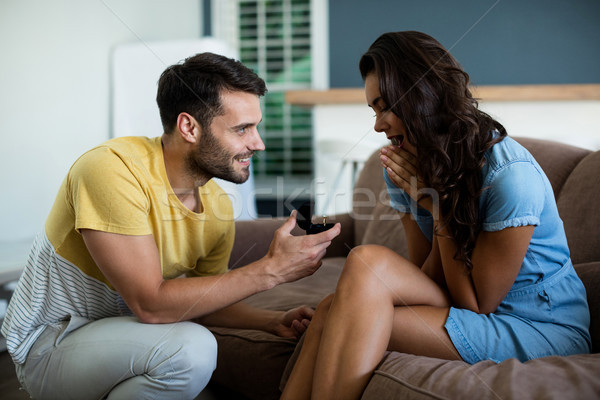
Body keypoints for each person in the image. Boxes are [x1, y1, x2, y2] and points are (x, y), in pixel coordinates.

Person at [1, 52, 340, 399]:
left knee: (191, 366)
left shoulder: (218, 207)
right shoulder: (110, 170)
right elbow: (151, 304)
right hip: (51, 343)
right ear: (189, 127)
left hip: (123, 337)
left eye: (256, 127)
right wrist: (270, 270)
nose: (258, 143)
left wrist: (270, 321)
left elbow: (203, 300)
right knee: (190, 350)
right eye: (242, 129)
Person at [281, 31, 591, 400]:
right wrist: (362, 296)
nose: (378, 125)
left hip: (533, 325)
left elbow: (477, 305)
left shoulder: (510, 177)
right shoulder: (405, 166)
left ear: (424, 99)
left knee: (345, 312)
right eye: (373, 111)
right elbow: (427, 278)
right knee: (359, 273)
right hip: (466, 304)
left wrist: (440, 211)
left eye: (385, 107)